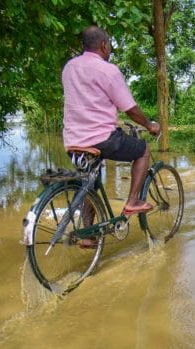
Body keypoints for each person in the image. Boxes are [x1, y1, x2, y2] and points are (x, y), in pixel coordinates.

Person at [62, 26, 159, 239]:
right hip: (103, 139)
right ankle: (133, 201)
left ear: (83, 46)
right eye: (110, 46)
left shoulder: (69, 68)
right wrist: (150, 125)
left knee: (90, 180)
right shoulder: (108, 70)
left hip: (73, 140)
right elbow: (130, 109)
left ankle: (88, 235)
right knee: (143, 150)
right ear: (104, 45)